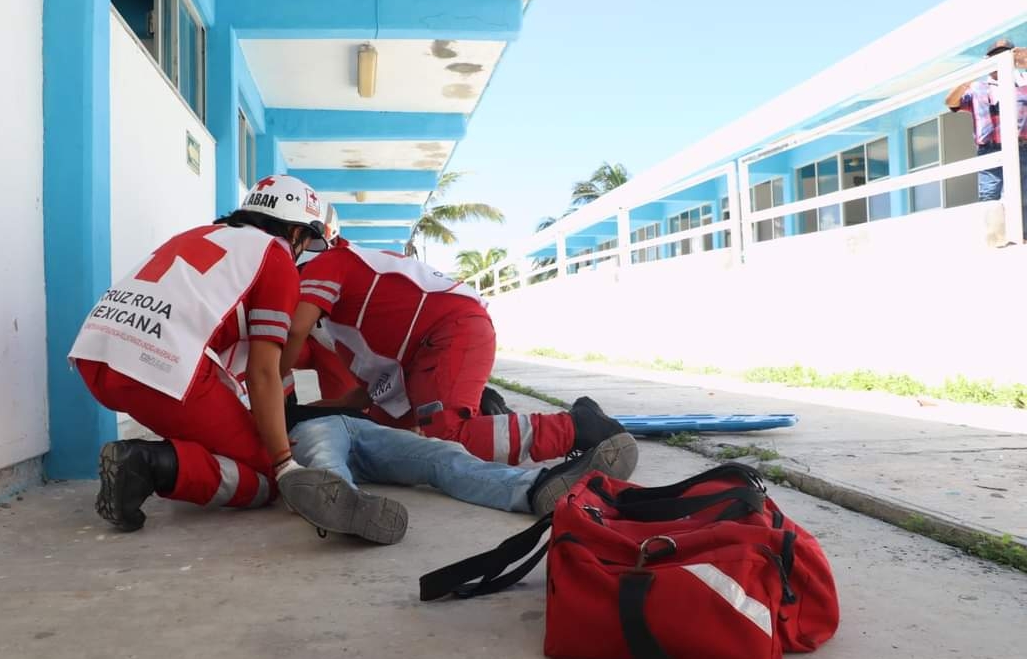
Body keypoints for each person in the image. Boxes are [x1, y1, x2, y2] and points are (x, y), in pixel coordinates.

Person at [70, 174, 337, 532]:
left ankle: (157, 461)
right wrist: (283, 461)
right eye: (306, 241)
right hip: (160, 367)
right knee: (267, 475)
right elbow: (263, 372)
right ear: (296, 232)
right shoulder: (275, 257)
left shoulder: (198, 234)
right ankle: (147, 465)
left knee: (229, 438)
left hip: (96, 354)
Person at [282, 242, 625, 466]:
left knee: (444, 437)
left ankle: (577, 428)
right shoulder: (349, 323)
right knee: (391, 439)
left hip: (450, 331)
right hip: (434, 346)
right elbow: (361, 399)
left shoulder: (327, 263)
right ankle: (484, 409)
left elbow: (295, 332)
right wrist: (299, 414)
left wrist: (268, 391)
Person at [276, 411, 639, 544]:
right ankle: (348, 507)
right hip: (312, 427)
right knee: (325, 459)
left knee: (443, 455)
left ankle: (535, 488)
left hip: (367, 428)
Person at [945, 38, 1027, 238]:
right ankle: (994, 240)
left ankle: (1022, 238)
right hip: (989, 150)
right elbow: (951, 102)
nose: (1001, 60)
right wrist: (967, 78)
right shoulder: (977, 87)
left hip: (1022, 148)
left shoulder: (1024, 82)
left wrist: (1023, 60)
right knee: (989, 196)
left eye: (1006, 54)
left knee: (1022, 195)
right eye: (995, 56)